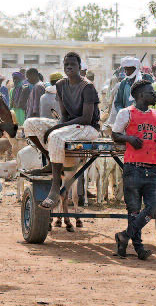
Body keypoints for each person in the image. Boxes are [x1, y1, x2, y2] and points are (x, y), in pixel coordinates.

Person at [111, 80, 156, 260]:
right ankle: (138, 248)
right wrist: (129, 138)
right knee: (134, 211)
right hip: (133, 167)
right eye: (151, 92)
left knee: (154, 207)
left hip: (153, 168)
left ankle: (124, 236)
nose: (155, 94)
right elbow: (115, 134)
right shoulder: (126, 113)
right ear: (140, 95)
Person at [41, 52, 102, 209]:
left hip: (89, 128)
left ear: (79, 67)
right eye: (66, 64)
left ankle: (55, 188)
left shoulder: (87, 87)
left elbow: (87, 118)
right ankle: (51, 162)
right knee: (31, 125)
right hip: (71, 127)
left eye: (73, 64)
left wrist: (58, 127)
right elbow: (65, 116)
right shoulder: (61, 85)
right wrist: (60, 125)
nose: (69, 67)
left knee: (54, 136)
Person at [112, 56, 154, 121]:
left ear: (135, 68)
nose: (126, 72)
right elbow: (118, 102)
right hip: (128, 119)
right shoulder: (124, 83)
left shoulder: (146, 78)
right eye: (125, 69)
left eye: (128, 69)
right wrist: (123, 113)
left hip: (145, 118)